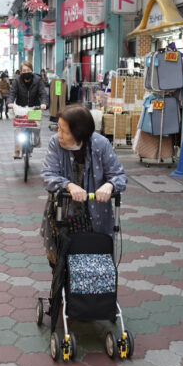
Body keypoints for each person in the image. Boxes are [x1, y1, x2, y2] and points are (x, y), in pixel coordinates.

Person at [40, 104, 127, 266]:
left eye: (65, 131)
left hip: (96, 217)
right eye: (58, 128)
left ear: (79, 133)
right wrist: (68, 185)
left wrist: (110, 185)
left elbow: (119, 175)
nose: (59, 135)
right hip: (63, 215)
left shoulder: (101, 144)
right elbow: (48, 174)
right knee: (60, 262)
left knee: (95, 262)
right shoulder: (55, 143)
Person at [7, 61, 48, 158]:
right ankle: (17, 150)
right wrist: (10, 102)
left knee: (36, 127)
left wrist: (44, 103)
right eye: (24, 70)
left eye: (28, 70)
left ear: (32, 70)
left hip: (34, 108)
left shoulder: (38, 80)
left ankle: (33, 144)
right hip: (20, 108)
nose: (26, 72)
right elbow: (12, 93)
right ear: (21, 72)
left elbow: (43, 93)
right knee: (18, 128)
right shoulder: (17, 81)